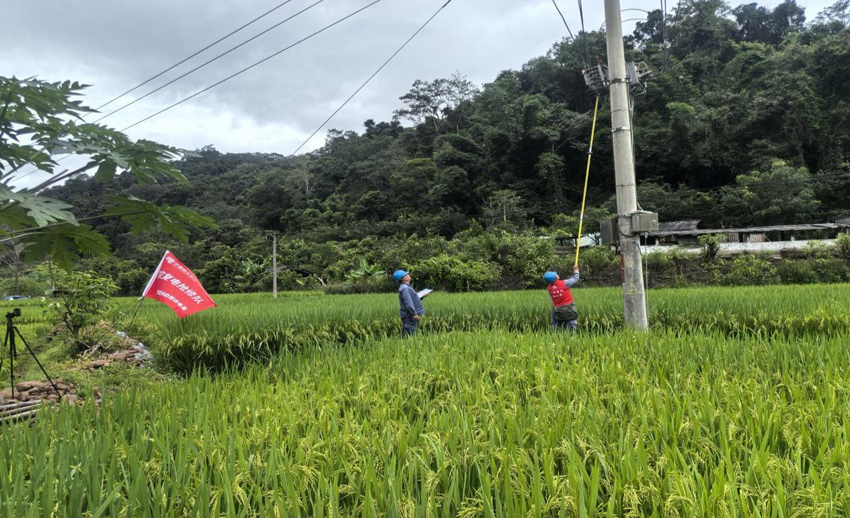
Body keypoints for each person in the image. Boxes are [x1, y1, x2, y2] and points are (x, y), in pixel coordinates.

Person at [543, 266, 580, 334]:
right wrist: (576, 271)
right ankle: (572, 337)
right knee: (571, 323)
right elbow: (575, 278)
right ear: (555, 277)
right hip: (568, 307)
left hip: (557, 309)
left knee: (556, 325)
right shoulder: (564, 283)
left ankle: (556, 336)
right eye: (555, 275)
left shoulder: (549, 288)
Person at [394, 270, 424, 338]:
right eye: (406, 274)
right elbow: (408, 303)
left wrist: (421, 297)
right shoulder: (405, 288)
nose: (408, 275)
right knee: (409, 336)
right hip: (409, 316)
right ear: (402, 279)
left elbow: (411, 299)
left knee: (410, 335)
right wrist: (414, 313)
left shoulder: (406, 287)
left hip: (409, 316)